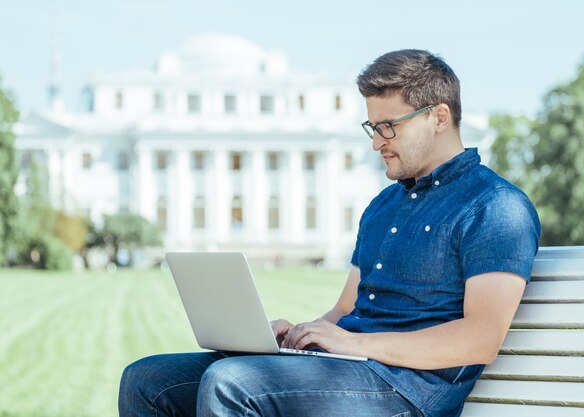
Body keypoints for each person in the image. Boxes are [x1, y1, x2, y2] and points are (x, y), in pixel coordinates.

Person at [119, 49, 540, 417]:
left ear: (438, 117)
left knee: (231, 383)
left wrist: (356, 346)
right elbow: (344, 309)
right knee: (147, 379)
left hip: (406, 393)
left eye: (387, 127)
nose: (377, 143)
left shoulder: (495, 207)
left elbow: (481, 338)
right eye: (372, 128)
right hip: (346, 369)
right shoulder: (384, 206)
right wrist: (297, 337)